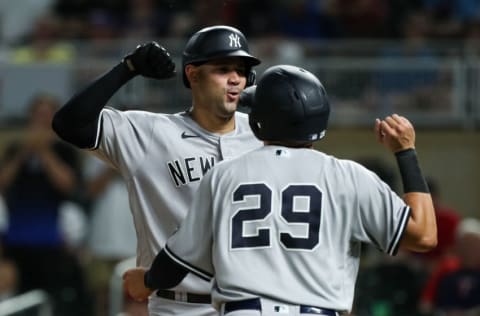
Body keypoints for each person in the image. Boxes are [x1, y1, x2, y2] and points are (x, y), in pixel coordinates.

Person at [123, 64, 438, 316]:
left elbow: (177, 261)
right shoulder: (348, 176)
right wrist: (405, 152)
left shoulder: (225, 175)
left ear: (259, 122)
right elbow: (424, 235)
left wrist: (148, 281)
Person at [52, 25, 262, 316]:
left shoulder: (262, 134)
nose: (235, 79)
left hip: (254, 305)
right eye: (223, 68)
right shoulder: (151, 133)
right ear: (193, 73)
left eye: (241, 70)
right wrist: (128, 68)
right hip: (178, 305)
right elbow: (69, 124)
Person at [0, 93, 88, 315]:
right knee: (17, 301)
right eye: (38, 116)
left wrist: (43, 151)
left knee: (51, 301)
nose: (42, 122)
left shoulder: (64, 151)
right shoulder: (15, 151)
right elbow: (3, 182)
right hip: (16, 239)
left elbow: (67, 184)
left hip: (52, 240)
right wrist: (24, 152)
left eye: (47, 117)